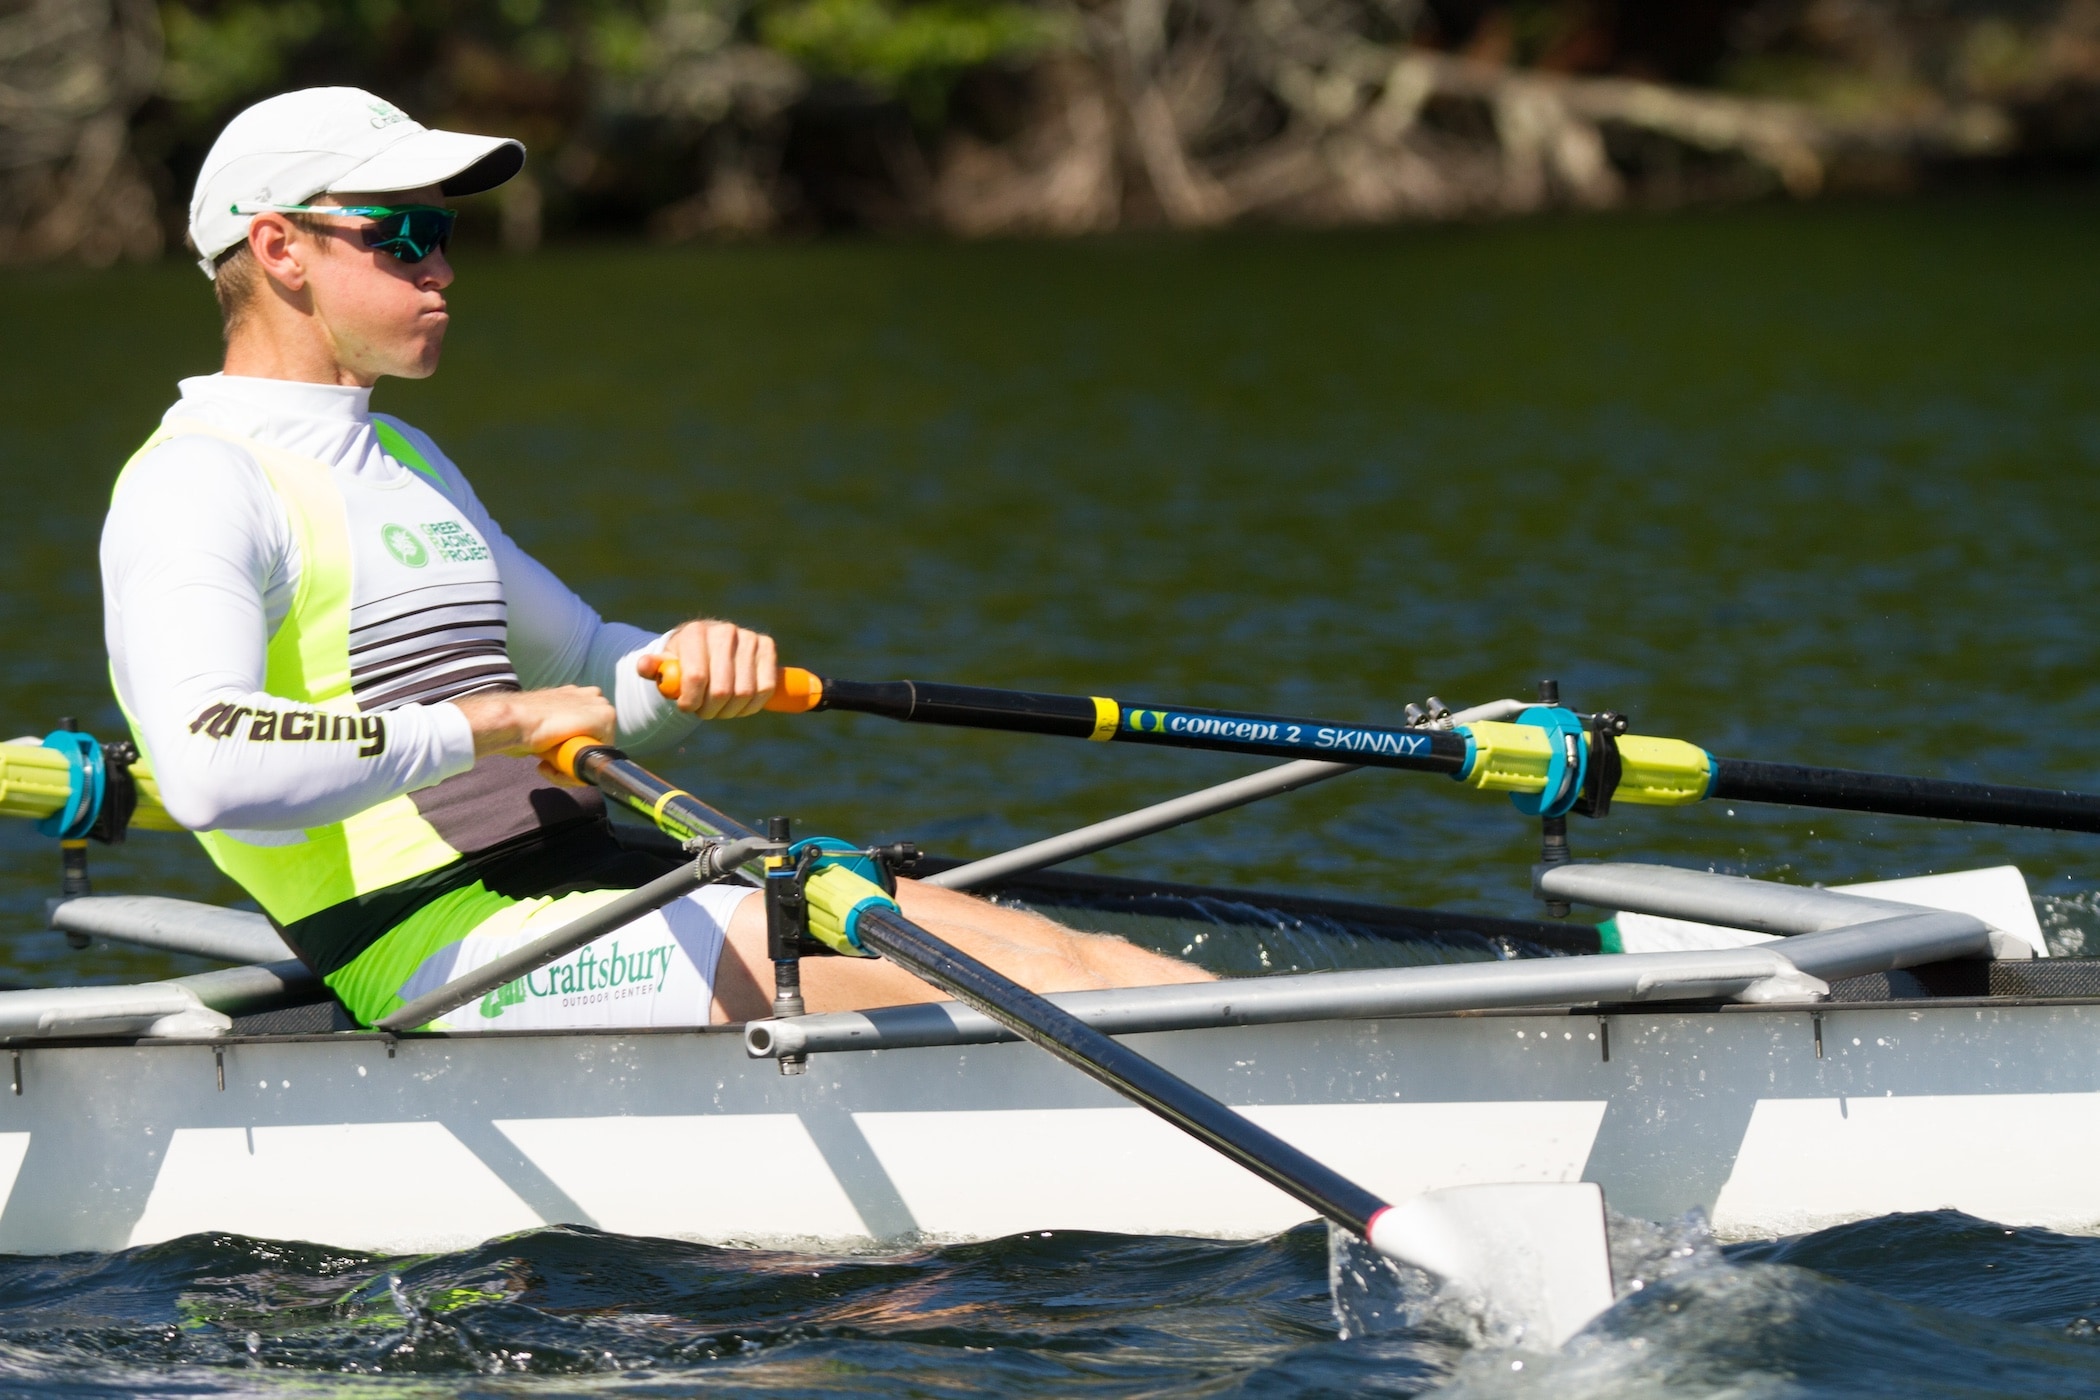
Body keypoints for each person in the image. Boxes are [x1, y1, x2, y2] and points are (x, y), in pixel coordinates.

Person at [103, 87, 1209, 1032]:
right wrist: (490, 723)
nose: (440, 268)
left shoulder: (401, 454)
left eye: (445, 233)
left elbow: (587, 665)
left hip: (591, 876)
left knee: (1081, 965)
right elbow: (207, 763)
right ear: (279, 247)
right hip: (440, 943)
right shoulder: (197, 480)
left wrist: (685, 666)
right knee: (1009, 1002)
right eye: (400, 235)